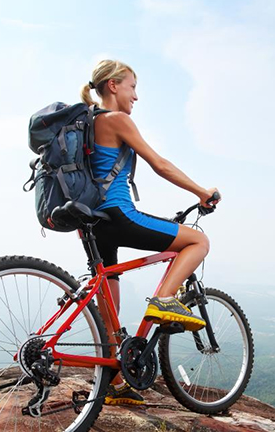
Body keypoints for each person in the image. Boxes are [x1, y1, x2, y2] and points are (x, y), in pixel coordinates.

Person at [81, 60, 218, 405]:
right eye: (132, 87)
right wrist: (201, 192)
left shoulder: (87, 122)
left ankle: (114, 380)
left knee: (109, 293)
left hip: (91, 222)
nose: (136, 97)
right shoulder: (116, 120)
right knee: (198, 240)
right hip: (117, 214)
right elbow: (161, 165)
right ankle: (164, 300)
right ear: (113, 85)